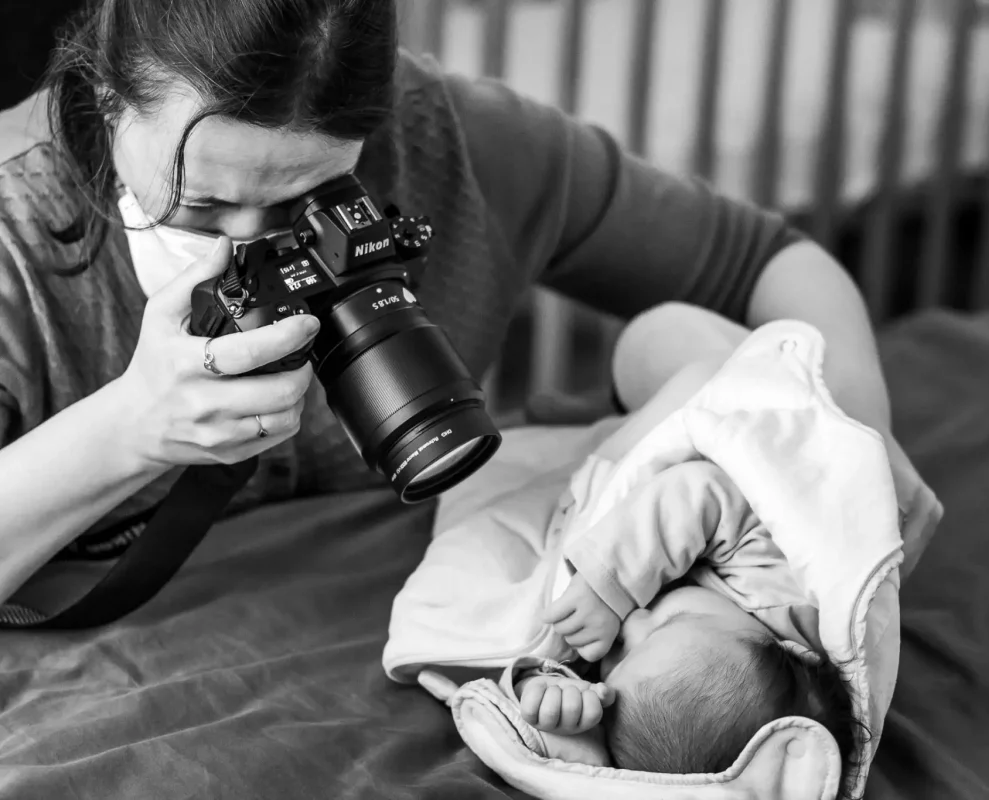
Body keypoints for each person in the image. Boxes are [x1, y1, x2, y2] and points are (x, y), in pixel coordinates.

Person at [0, 0, 940, 617]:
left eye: (307, 204)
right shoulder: (14, 234)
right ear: (103, 97)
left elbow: (769, 260)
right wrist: (128, 430)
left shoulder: (452, 140)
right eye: (198, 203)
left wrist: (844, 445)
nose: (251, 244)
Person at [508, 303, 863, 793]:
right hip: (721, 427)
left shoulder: (650, 682)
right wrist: (608, 582)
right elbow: (706, 492)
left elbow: (535, 684)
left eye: (619, 656)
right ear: (785, 648)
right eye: (668, 622)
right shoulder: (783, 593)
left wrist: (548, 692)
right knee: (696, 367)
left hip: (600, 486)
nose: (632, 621)